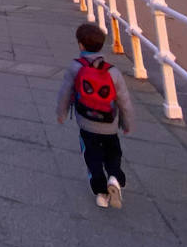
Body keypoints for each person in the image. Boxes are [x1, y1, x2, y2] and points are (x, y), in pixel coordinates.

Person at [56, 22, 135, 209]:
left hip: (86, 124)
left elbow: (65, 92)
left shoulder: (76, 67)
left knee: (92, 158)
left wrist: (61, 113)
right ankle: (115, 177)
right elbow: (124, 101)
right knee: (113, 153)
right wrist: (127, 123)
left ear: (80, 45)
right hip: (109, 125)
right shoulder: (113, 71)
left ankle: (101, 193)